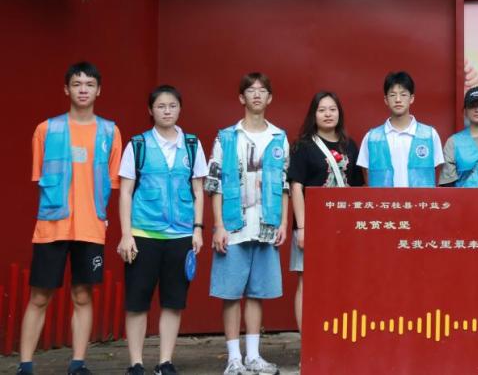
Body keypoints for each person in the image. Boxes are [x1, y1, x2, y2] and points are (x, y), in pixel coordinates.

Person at [19, 62, 123, 375]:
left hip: (91, 227)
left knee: (82, 295)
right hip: (52, 226)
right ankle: (25, 365)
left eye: (89, 84)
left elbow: (112, 182)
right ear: (66, 89)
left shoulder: (110, 131)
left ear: (99, 90)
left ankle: (78, 363)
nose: (83, 90)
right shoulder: (46, 129)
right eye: (77, 84)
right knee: (39, 296)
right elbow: (40, 177)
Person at [117, 85, 207, 375]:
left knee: (173, 301)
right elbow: (125, 192)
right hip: (144, 234)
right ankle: (136, 363)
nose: (167, 111)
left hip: (181, 235)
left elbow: (198, 190)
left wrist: (197, 229)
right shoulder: (138, 145)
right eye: (160, 106)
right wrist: (126, 234)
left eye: (172, 106)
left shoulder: (191, 144)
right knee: (137, 302)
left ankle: (165, 361)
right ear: (150, 110)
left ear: (180, 108)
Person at [205, 72, 289, 375]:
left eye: (262, 90)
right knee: (231, 293)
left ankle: (253, 356)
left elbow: (284, 185)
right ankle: (234, 358)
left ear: (270, 98)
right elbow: (214, 183)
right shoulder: (227, 137)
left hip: (266, 225)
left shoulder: (279, 137)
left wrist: (283, 223)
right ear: (241, 97)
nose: (256, 95)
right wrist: (218, 225)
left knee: (257, 293)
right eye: (250, 90)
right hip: (233, 225)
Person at [287, 91, 363, 331]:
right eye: (322, 110)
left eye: (332, 109)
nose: (328, 114)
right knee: (307, 282)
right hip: (311, 226)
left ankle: (337, 339)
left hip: (344, 227)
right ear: (314, 114)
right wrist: (302, 228)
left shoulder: (350, 145)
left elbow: (358, 189)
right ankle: (307, 341)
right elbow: (296, 188)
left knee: (342, 282)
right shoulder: (303, 146)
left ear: (339, 113)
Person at [358, 71, 444, 187]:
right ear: (386, 100)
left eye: (403, 94)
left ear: (411, 98)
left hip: (421, 199)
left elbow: (436, 173)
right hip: (384, 199)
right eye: (393, 95)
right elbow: (367, 175)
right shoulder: (372, 138)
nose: (398, 99)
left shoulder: (429, 135)